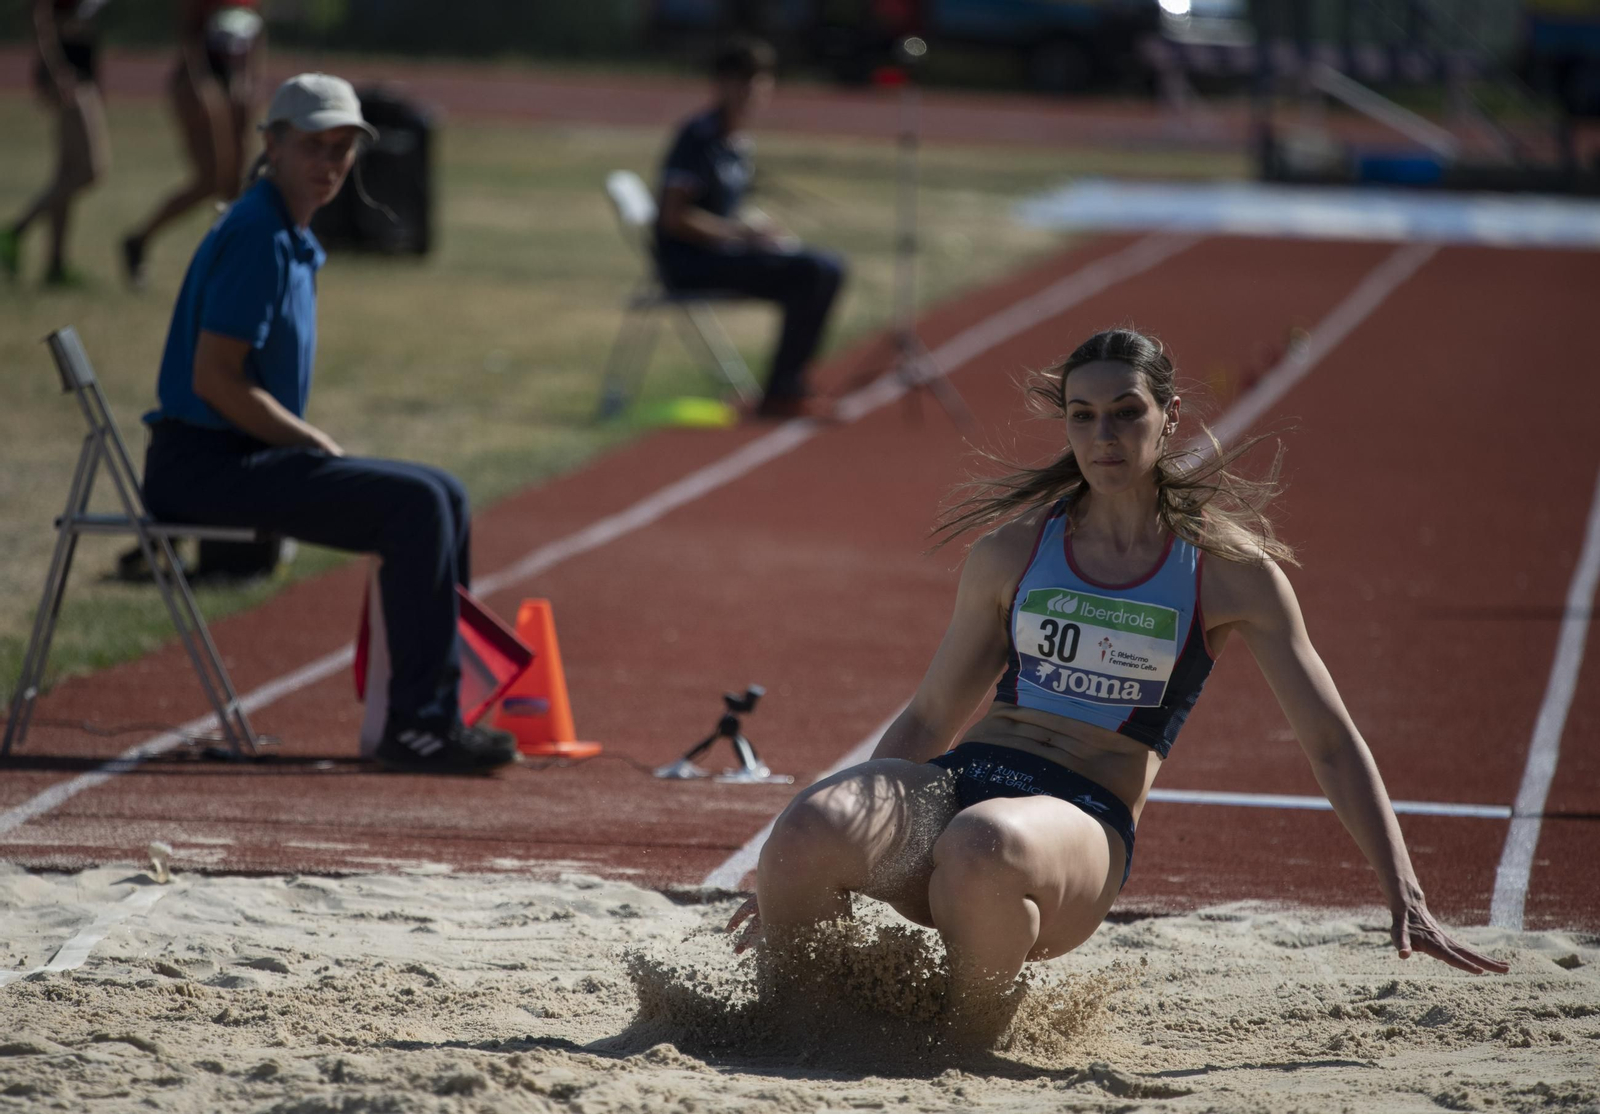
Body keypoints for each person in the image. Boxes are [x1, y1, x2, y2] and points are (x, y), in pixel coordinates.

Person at [730, 327, 1507, 1041]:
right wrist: (798, 864)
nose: (1103, 436)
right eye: (1082, 415)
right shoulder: (1013, 552)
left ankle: (958, 1044)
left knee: (984, 844)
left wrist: (1403, 889)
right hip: (964, 781)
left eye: (1126, 413)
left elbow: (1331, 743)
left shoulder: (1229, 573)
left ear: (1169, 417)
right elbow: (933, 713)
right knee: (804, 827)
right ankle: (797, 1026)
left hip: (1074, 825)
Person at [140, 73, 516, 775]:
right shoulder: (259, 232)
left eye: (343, 147)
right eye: (313, 144)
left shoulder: (285, 228)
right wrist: (305, 440)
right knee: (415, 505)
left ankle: (437, 712)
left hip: (231, 456)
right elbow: (213, 378)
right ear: (272, 145)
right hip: (203, 468)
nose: (330, 161)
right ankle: (417, 725)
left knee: (445, 492)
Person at [655, 37, 847, 421]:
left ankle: (786, 384)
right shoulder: (698, 138)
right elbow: (675, 218)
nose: (752, 93)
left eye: (760, 83)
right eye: (743, 82)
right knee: (816, 271)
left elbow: (732, 209)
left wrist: (762, 230)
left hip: (723, 253)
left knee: (824, 268)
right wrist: (740, 235)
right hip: (689, 262)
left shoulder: (737, 141)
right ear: (721, 84)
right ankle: (782, 390)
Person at [120, 0, 265, 288]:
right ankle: (138, 240)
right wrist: (199, 82)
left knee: (235, 183)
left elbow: (256, 29)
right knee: (211, 179)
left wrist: (248, 80)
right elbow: (189, 30)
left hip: (231, 78)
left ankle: (230, 262)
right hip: (199, 78)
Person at [1, 0, 111, 286]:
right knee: (90, 171)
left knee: (66, 172)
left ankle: (55, 265)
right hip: (68, 75)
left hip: (78, 69)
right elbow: (40, 15)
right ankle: (15, 232)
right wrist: (56, 70)